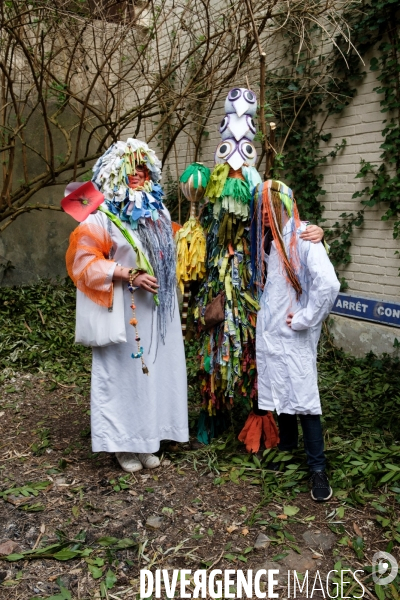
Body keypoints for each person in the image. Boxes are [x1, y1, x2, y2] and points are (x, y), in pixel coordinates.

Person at [66, 138, 188, 473]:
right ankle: (122, 444)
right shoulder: (100, 216)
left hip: (157, 312)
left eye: (143, 167)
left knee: (153, 375)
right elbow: (84, 264)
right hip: (123, 311)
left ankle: (148, 438)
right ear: (113, 171)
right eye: (129, 167)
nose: (136, 173)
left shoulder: (159, 212)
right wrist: (127, 274)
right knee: (124, 376)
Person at [250, 179, 340, 501]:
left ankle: (318, 469)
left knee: (305, 398)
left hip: (294, 335)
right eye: (259, 206)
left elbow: (328, 284)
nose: (261, 212)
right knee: (281, 390)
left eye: (266, 206)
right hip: (273, 334)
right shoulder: (268, 240)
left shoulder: (303, 236)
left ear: (282, 205)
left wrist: (305, 318)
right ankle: (287, 448)